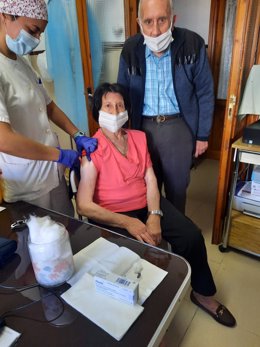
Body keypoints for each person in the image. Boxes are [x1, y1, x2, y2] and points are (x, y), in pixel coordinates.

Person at [76, 82, 236, 327]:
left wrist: (154, 214)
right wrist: (129, 222)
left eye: (120, 105)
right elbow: (84, 205)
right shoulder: (92, 149)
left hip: (146, 203)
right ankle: (145, 321)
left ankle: (202, 294)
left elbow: (150, 179)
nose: (115, 111)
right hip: (114, 215)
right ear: (97, 111)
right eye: (108, 106)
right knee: (137, 259)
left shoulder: (139, 138)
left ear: (127, 110)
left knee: (190, 236)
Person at [0, 0, 97, 216]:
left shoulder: (22, 62)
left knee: (66, 229)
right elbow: (3, 139)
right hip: (27, 184)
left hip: (52, 174)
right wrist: (58, 154)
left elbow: (49, 107)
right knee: (43, 243)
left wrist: (78, 134)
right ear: (6, 15)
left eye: (40, 33)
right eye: (33, 30)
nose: (36, 39)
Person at [117, 0, 214, 213]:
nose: (155, 30)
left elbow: (205, 92)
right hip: (142, 128)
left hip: (178, 127)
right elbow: (121, 93)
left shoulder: (192, 43)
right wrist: (119, 133)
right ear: (139, 23)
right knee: (145, 188)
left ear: (173, 19)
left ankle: (176, 241)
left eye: (162, 20)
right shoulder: (131, 49)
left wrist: (203, 135)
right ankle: (154, 238)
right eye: (148, 22)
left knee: (177, 191)